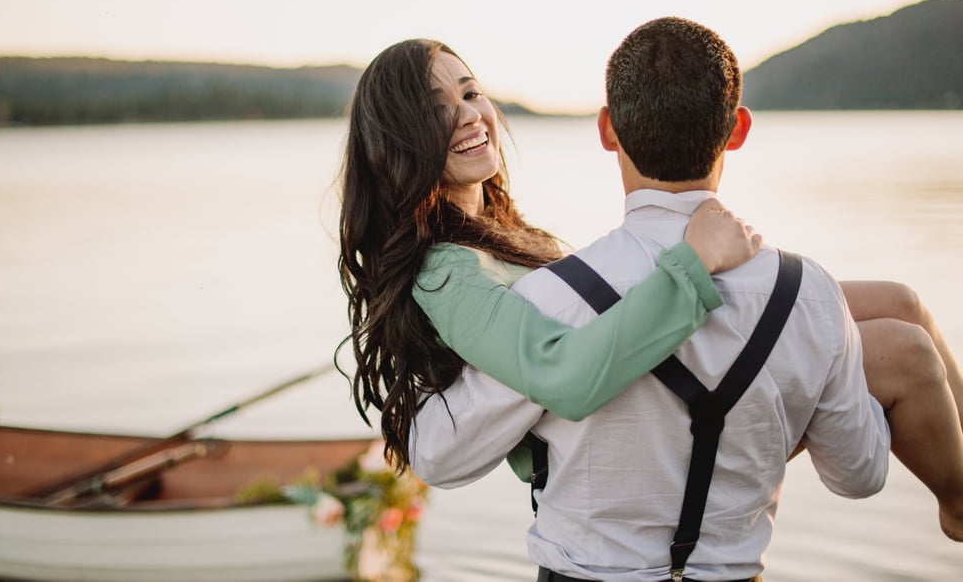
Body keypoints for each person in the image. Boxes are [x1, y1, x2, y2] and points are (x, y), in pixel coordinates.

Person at [336, 37, 963, 543]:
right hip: (615, 431)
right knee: (892, 347)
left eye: (470, 92)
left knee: (902, 303)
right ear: (398, 139)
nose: (469, 114)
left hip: (640, 384)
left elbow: (594, 302)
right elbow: (561, 372)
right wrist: (695, 260)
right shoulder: (448, 270)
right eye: (437, 107)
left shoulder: (504, 237)